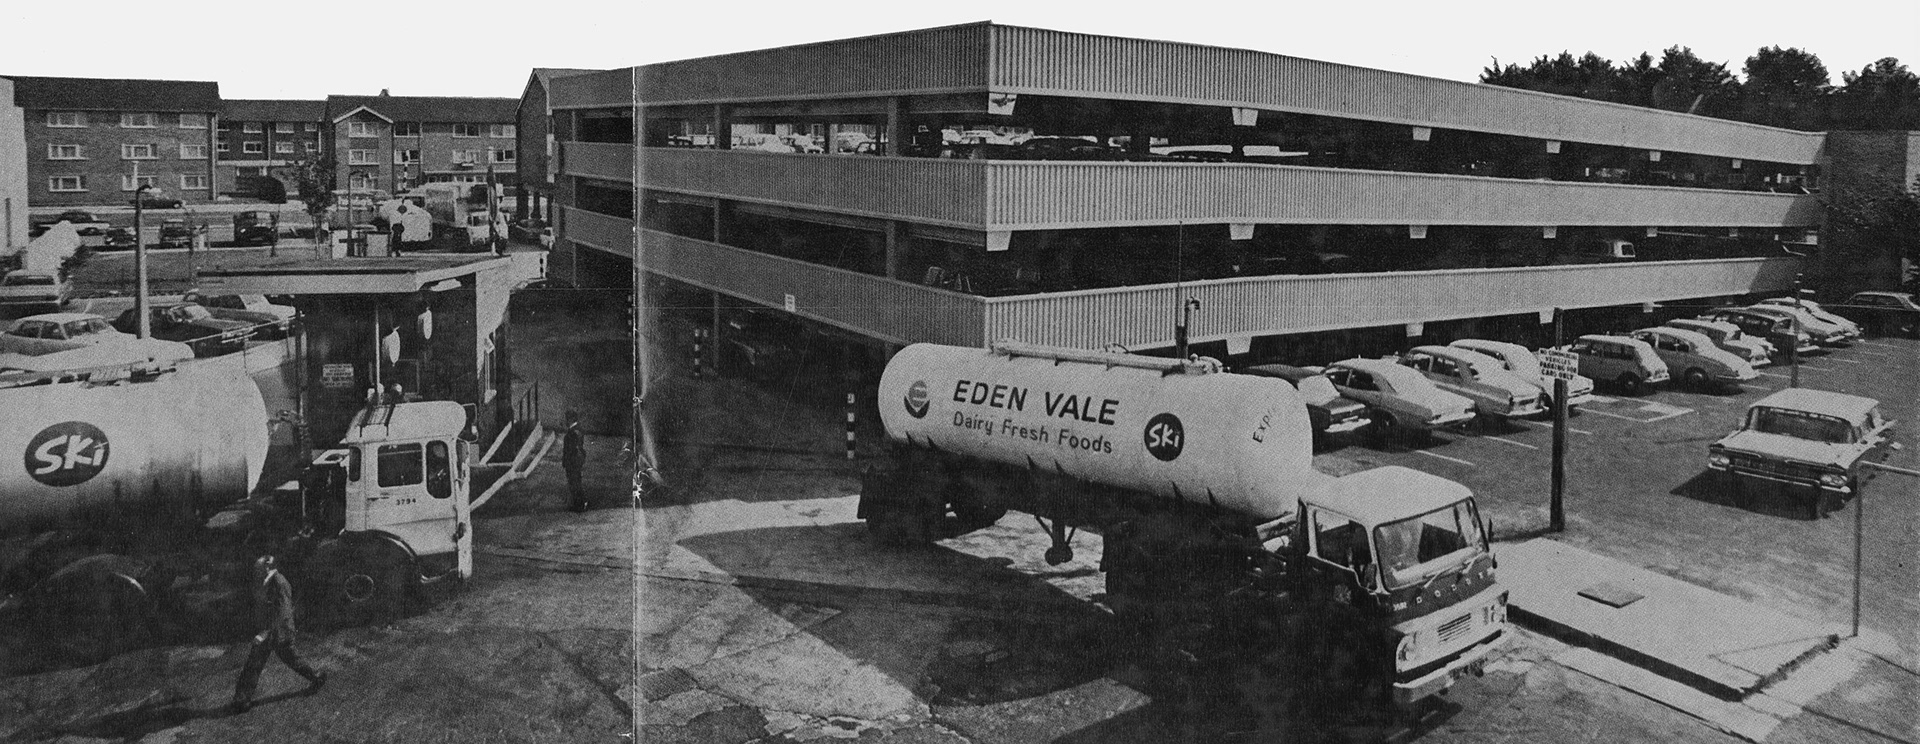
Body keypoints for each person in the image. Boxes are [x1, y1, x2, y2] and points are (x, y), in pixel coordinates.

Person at [231, 555, 326, 713]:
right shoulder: (264, 581)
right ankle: (242, 699)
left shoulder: (279, 582)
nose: (255, 571)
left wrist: (265, 633)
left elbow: (284, 612)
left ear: (268, 567)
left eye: (258, 568)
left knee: (288, 659)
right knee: (257, 664)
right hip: (269, 631)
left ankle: (315, 677)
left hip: (278, 631)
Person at [564, 410, 588, 513]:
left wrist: (567, 461)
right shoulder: (577, 430)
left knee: (575, 483)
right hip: (576, 461)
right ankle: (578, 504)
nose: (565, 421)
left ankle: (579, 504)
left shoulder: (574, 432)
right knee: (575, 482)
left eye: (567, 418)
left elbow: (572, 448)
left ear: (570, 419)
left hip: (573, 461)